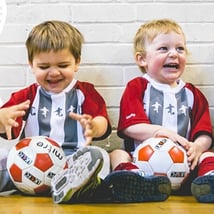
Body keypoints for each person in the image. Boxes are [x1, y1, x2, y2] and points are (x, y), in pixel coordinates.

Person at [0, 20, 112, 203]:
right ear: (31, 64)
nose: (53, 73)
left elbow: (102, 122)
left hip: (72, 163)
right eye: (44, 67)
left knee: (103, 158)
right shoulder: (27, 95)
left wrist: (94, 126)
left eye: (62, 65)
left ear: (76, 63)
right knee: (3, 157)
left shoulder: (85, 92)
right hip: (27, 165)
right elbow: (6, 127)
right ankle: (75, 191)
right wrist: (2, 117)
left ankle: (73, 187)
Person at [106, 18, 214, 203]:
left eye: (180, 49)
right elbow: (129, 127)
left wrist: (198, 147)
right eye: (164, 49)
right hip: (143, 162)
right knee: (117, 154)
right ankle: (135, 181)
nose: (174, 54)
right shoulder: (138, 87)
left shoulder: (192, 94)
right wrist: (159, 131)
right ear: (142, 59)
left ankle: (207, 183)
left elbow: (205, 132)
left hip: (185, 165)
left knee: (209, 155)